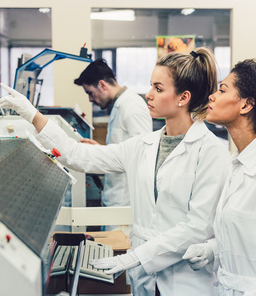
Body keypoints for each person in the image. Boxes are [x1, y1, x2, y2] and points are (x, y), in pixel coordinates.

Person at [0, 47, 231, 296]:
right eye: (151, 86)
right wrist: (33, 115)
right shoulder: (143, 146)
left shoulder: (211, 153)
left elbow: (196, 227)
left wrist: (133, 258)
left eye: (158, 88)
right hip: (144, 279)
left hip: (186, 282)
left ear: (183, 98)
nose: (148, 95)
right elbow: (76, 155)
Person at [183, 59, 256, 296]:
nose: (212, 97)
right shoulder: (237, 162)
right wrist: (213, 249)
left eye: (222, 90)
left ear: (246, 105)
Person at [74, 59, 152, 230]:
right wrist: (100, 150)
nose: (90, 99)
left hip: (125, 205)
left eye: (90, 93)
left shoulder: (132, 106)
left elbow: (143, 156)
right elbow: (125, 149)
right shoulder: (119, 105)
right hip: (115, 201)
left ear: (102, 85)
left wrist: (100, 154)